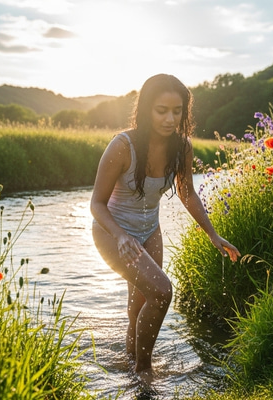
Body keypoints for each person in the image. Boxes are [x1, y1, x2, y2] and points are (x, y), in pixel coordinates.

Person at [90, 74, 240, 383]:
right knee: (161, 292)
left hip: (150, 231)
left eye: (177, 110)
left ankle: (131, 361)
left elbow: (187, 193)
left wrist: (212, 234)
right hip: (112, 233)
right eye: (161, 110)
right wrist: (121, 237)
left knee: (142, 301)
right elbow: (96, 204)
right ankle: (144, 372)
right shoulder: (123, 146)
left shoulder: (181, 147)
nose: (170, 119)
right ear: (146, 109)